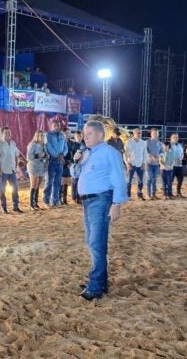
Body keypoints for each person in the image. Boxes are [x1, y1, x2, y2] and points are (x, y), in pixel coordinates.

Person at [75, 120, 127, 300]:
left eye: (88, 134)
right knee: (92, 242)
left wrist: (117, 203)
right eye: (84, 134)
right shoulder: (88, 153)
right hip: (88, 202)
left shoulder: (109, 153)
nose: (85, 137)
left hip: (101, 200)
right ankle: (100, 282)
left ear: (99, 135)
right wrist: (77, 161)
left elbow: (119, 178)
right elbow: (76, 174)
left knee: (96, 243)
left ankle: (96, 287)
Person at [0, 127, 23, 214]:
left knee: (15, 188)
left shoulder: (13, 143)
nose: (8, 134)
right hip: (3, 170)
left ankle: (16, 206)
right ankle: (3, 207)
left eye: (9, 133)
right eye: (6, 133)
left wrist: (16, 167)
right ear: (2, 134)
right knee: (2, 190)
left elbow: (16, 155)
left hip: (12, 170)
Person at [43, 121, 67, 207]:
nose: (57, 127)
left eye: (58, 125)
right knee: (49, 181)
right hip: (52, 160)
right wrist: (57, 155)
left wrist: (63, 154)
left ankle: (55, 201)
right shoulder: (48, 135)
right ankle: (46, 200)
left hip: (60, 161)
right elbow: (48, 146)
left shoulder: (62, 135)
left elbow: (65, 147)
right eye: (55, 125)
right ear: (51, 126)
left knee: (57, 182)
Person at [26, 130, 49, 211]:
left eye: (43, 135)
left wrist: (45, 157)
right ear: (37, 136)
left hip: (41, 167)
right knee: (34, 185)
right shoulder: (32, 144)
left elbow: (46, 157)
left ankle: (35, 203)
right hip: (33, 166)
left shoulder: (44, 145)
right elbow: (28, 157)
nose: (42, 137)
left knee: (38, 185)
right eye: (40, 135)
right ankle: (31, 205)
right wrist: (38, 155)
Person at [123, 128, 147, 200]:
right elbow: (125, 154)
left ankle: (140, 195)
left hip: (140, 164)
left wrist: (144, 163)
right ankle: (128, 196)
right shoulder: (128, 142)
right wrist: (127, 163)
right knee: (128, 181)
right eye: (138, 133)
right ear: (134, 133)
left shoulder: (143, 142)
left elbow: (145, 153)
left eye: (140, 133)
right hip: (131, 164)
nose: (139, 134)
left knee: (141, 181)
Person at [60, 127, 77, 205]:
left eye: (69, 133)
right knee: (62, 181)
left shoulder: (72, 143)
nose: (68, 134)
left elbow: (74, 154)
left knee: (67, 181)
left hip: (70, 164)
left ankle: (65, 199)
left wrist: (72, 163)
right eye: (66, 133)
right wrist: (66, 163)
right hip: (63, 163)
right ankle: (59, 198)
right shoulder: (60, 142)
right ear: (63, 134)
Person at [145, 128, 163, 199]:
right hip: (148, 163)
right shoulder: (147, 142)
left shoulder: (160, 143)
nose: (155, 134)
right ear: (151, 134)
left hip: (156, 164)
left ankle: (154, 194)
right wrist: (151, 156)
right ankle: (148, 194)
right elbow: (145, 151)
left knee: (154, 179)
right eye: (154, 133)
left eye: (156, 133)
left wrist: (159, 156)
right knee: (149, 178)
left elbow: (162, 152)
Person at [70, 130, 86, 204]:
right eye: (77, 136)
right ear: (75, 137)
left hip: (81, 165)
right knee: (74, 182)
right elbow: (70, 154)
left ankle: (79, 198)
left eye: (80, 136)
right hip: (75, 165)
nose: (79, 137)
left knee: (80, 182)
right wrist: (71, 163)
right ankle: (73, 198)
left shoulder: (84, 144)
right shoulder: (73, 145)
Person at [170, 133, 185, 198]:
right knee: (171, 180)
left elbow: (182, 153)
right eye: (174, 137)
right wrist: (175, 159)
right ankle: (169, 193)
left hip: (179, 165)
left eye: (177, 137)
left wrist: (181, 158)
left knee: (180, 179)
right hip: (172, 165)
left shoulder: (180, 145)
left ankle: (178, 192)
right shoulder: (169, 145)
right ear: (171, 138)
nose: (176, 138)